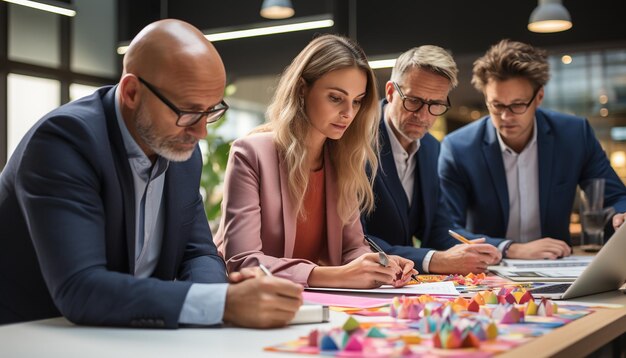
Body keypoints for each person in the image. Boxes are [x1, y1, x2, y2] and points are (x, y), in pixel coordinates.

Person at [0, 19, 303, 328]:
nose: (200, 132)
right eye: (187, 111)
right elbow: (81, 288)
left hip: (128, 333)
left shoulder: (181, 151)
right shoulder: (64, 142)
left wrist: (221, 295)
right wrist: (223, 303)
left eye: (211, 110)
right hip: (31, 333)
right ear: (131, 92)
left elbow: (199, 254)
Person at [214, 34, 416, 289]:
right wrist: (335, 276)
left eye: (356, 101)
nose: (348, 113)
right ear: (302, 89)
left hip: (310, 303)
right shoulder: (250, 153)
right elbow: (243, 262)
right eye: (335, 98)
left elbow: (352, 249)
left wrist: (377, 265)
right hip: (249, 303)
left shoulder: (344, 160)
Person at [439, 39, 626, 260]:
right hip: (487, 271)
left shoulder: (574, 135)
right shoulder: (458, 147)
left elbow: (615, 196)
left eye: (517, 105)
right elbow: (446, 229)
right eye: (497, 105)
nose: (506, 117)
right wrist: (510, 248)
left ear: (539, 97)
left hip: (557, 265)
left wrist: (621, 215)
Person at [361, 45, 501, 275]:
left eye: (436, 104)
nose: (423, 116)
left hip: (405, 284)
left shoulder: (431, 148)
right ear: (390, 92)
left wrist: (480, 249)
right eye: (414, 100)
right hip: (365, 282)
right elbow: (356, 237)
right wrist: (433, 260)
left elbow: (438, 228)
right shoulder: (355, 142)